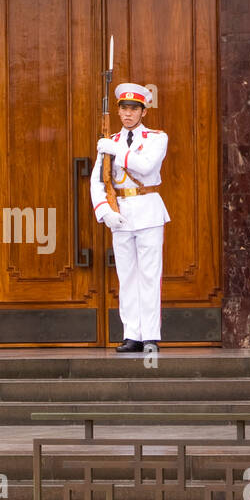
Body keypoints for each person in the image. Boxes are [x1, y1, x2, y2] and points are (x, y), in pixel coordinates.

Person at [90, 83, 170, 353]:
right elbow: (97, 182)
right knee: (127, 277)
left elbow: (146, 165)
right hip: (120, 213)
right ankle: (132, 334)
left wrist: (116, 151)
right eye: (124, 108)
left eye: (134, 109)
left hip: (147, 210)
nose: (128, 114)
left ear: (143, 112)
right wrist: (105, 212)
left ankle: (150, 335)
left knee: (149, 275)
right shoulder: (109, 140)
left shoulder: (157, 138)